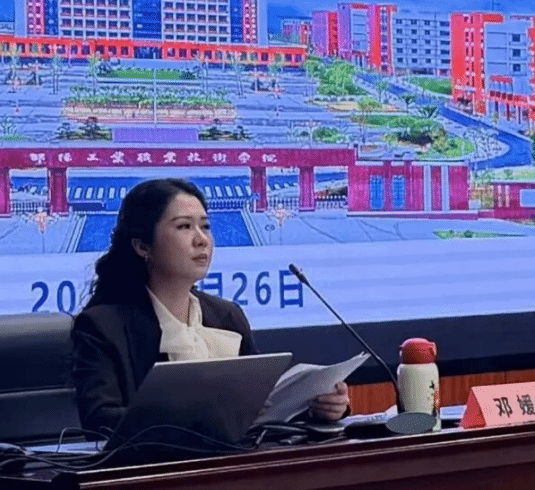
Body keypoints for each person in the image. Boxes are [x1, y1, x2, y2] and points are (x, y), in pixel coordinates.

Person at [71, 177, 350, 438]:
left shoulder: (227, 316)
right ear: (143, 246)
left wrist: (317, 409)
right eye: (184, 227)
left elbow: (262, 407)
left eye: (205, 226)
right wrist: (197, 414)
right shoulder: (103, 326)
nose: (201, 239)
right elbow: (99, 421)